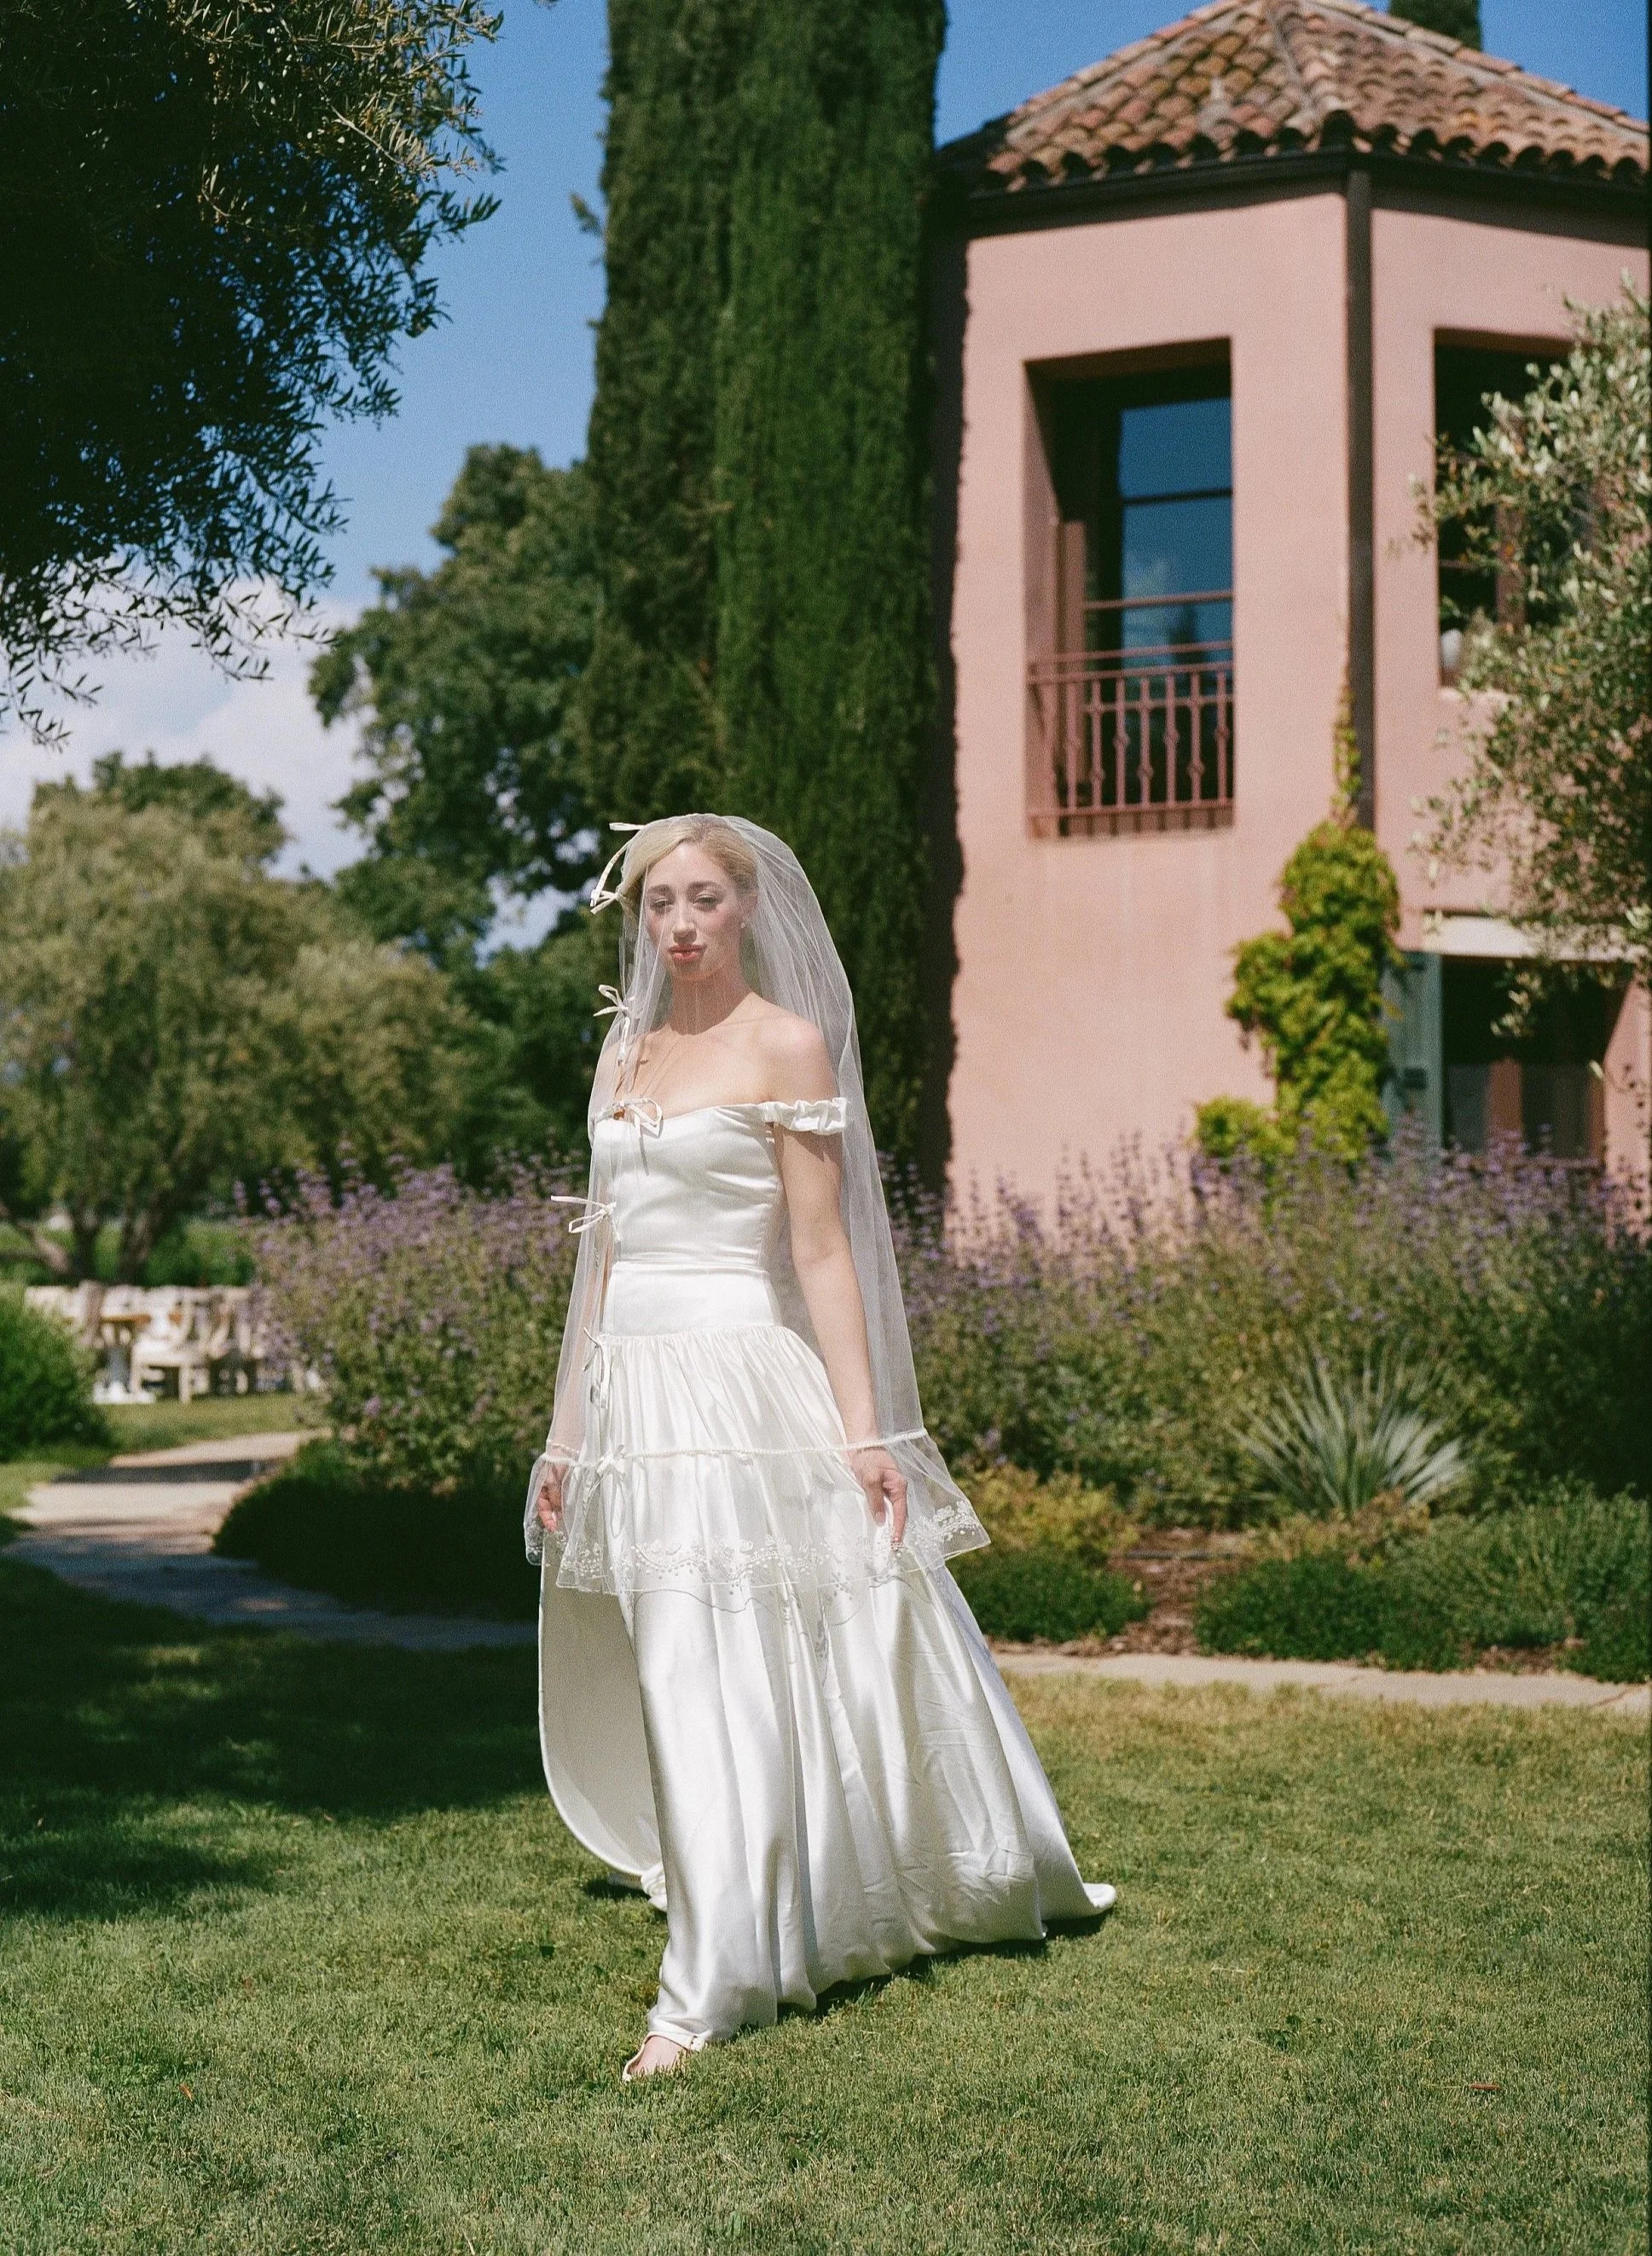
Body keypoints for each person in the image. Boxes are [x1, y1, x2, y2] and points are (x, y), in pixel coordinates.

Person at [526, 815, 1113, 2084]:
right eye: (655, 905)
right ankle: (750, 1887)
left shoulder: (786, 1045)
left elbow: (822, 1249)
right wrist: (569, 1434)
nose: (678, 924)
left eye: (701, 899)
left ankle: (705, 1988)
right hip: (637, 1396)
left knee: (728, 1655)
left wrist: (868, 1433)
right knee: (679, 1658)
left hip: (740, 1389)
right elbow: (603, 1254)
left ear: (747, 908)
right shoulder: (622, 1056)